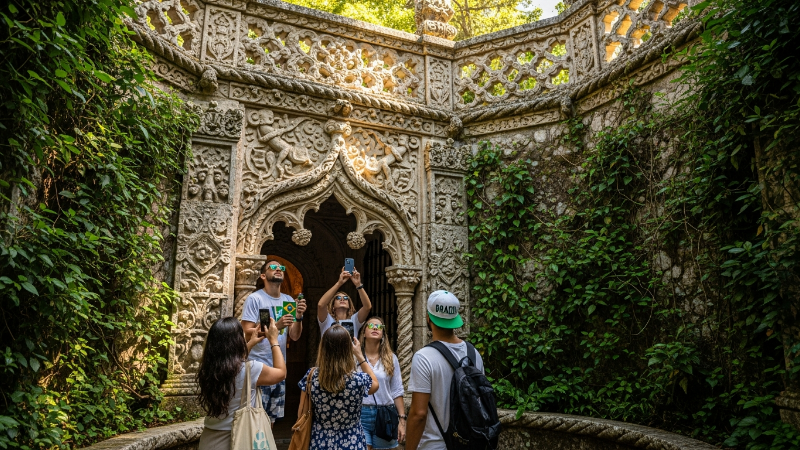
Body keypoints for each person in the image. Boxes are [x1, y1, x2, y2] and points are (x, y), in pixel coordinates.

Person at [405, 290, 484, 450]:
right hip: (469, 443)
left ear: (428, 318)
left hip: (435, 445)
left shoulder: (424, 357)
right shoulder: (473, 353)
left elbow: (419, 414)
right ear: (456, 317)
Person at [196, 317, 286, 450]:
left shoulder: (207, 369)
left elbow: (232, 362)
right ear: (237, 341)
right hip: (237, 438)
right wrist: (274, 340)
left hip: (209, 440)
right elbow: (281, 373)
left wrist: (251, 343)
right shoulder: (252, 369)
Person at [241, 259, 307, 423]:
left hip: (279, 368)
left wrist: (299, 317)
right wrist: (276, 326)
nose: (278, 269)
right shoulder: (255, 299)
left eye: (281, 267)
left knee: (271, 421)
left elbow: (295, 335)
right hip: (258, 367)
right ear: (263, 275)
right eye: (273, 267)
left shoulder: (288, 300)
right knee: (255, 418)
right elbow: (245, 333)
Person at [298, 325, 380, 449]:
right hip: (352, 442)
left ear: (323, 349)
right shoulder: (358, 380)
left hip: (320, 441)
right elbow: (375, 385)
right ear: (348, 350)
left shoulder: (311, 377)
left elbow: (302, 413)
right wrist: (360, 356)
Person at [358, 317, 406, 449]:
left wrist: (402, 420)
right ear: (363, 332)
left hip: (385, 415)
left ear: (383, 334)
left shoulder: (391, 358)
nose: (375, 328)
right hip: (360, 413)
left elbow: (397, 390)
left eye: (380, 327)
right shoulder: (354, 357)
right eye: (371, 325)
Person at [317, 266, 372, 336]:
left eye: (346, 298)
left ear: (349, 305)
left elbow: (367, 307)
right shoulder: (327, 320)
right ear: (333, 306)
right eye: (338, 298)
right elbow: (321, 305)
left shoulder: (354, 320)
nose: (342, 299)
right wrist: (339, 283)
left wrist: (358, 285)